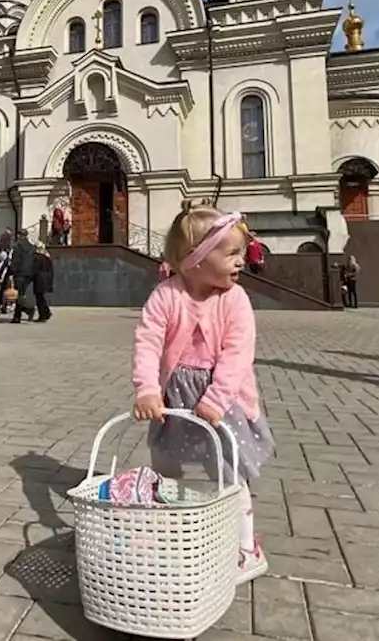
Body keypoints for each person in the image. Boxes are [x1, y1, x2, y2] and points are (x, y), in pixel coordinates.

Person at [132, 206, 275, 583]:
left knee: (228, 472)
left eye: (240, 253)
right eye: (230, 254)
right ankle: (171, 528)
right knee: (166, 464)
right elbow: (147, 343)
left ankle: (247, 548)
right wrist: (147, 389)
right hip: (173, 395)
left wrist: (216, 399)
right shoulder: (166, 295)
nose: (241, 261)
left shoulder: (235, 300)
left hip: (221, 400)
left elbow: (238, 356)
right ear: (195, 260)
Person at [10, 229, 37, 323]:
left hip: (19, 273)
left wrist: (11, 272)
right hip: (29, 274)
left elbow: (15, 261)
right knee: (20, 295)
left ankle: (28, 310)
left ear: (19, 235)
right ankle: (17, 317)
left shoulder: (17, 246)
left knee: (18, 295)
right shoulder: (32, 247)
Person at [32, 243, 54, 322]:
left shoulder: (37, 257)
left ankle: (44, 314)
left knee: (39, 299)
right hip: (46, 280)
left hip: (39, 280)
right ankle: (46, 312)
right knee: (41, 298)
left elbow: (35, 269)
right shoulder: (47, 258)